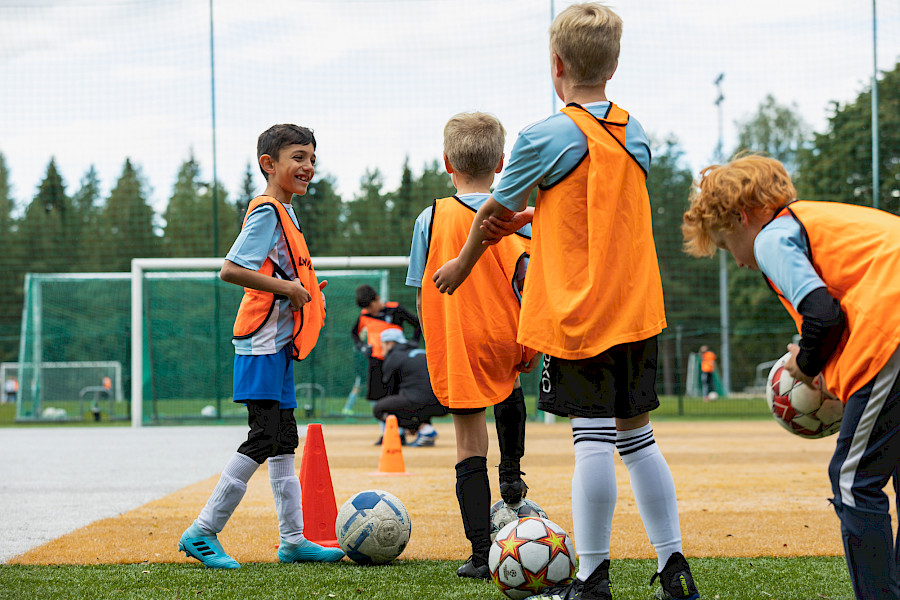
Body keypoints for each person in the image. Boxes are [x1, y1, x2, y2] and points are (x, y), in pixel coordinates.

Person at [431, 5, 700, 599]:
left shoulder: (544, 134)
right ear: (616, 63)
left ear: (556, 65)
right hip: (637, 307)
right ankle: (672, 567)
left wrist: (462, 262)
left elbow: (492, 213)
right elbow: (592, 209)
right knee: (639, 439)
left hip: (582, 312)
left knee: (593, 439)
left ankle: (592, 575)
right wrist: (540, 217)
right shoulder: (638, 132)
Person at [682, 153, 900, 600]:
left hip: (891, 332)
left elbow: (824, 317)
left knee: (852, 481)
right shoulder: (823, 221)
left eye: (726, 245)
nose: (739, 261)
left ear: (743, 217)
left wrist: (803, 366)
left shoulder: (771, 238)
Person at [178, 124, 344, 569]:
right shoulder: (267, 212)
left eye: (312, 157)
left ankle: (293, 540)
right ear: (268, 164)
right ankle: (202, 531)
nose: (308, 166)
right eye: (298, 157)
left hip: (280, 346)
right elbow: (230, 270)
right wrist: (287, 288)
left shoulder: (289, 214)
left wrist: (301, 292)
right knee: (264, 435)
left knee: (285, 439)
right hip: (260, 345)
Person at [408, 111, 538, 580]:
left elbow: (421, 290)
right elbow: (530, 278)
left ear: (447, 162)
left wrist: (435, 346)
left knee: (468, 442)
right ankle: (512, 474)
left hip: (460, 337)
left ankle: (482, 552)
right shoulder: (518, 215)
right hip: (508, 332)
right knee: (509, 389)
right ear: (501, 162)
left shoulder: (431, 217)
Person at [374, 328, 449, 447]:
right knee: (415, 398)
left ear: (390, 343)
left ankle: (424, 429)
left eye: (382, 345)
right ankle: (424, 431)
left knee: (379, 409)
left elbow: (390, 390)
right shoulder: (419, 351)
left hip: (420, 400)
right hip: (444, 404)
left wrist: (407, 424)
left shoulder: (394, 356)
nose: (381, 350)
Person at [351, 284, 421, 404]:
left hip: (396, 360)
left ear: (377, 298)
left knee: (397, 393)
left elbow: (417, 324)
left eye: (370, 306)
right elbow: (354, 333)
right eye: (366, 308)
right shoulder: (364, 315)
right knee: (376, 396)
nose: (369, 310)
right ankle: (384, 422)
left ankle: (398, 421)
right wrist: (362, 346)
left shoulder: (395, 309)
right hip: (376, 361)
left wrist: (414, 342)